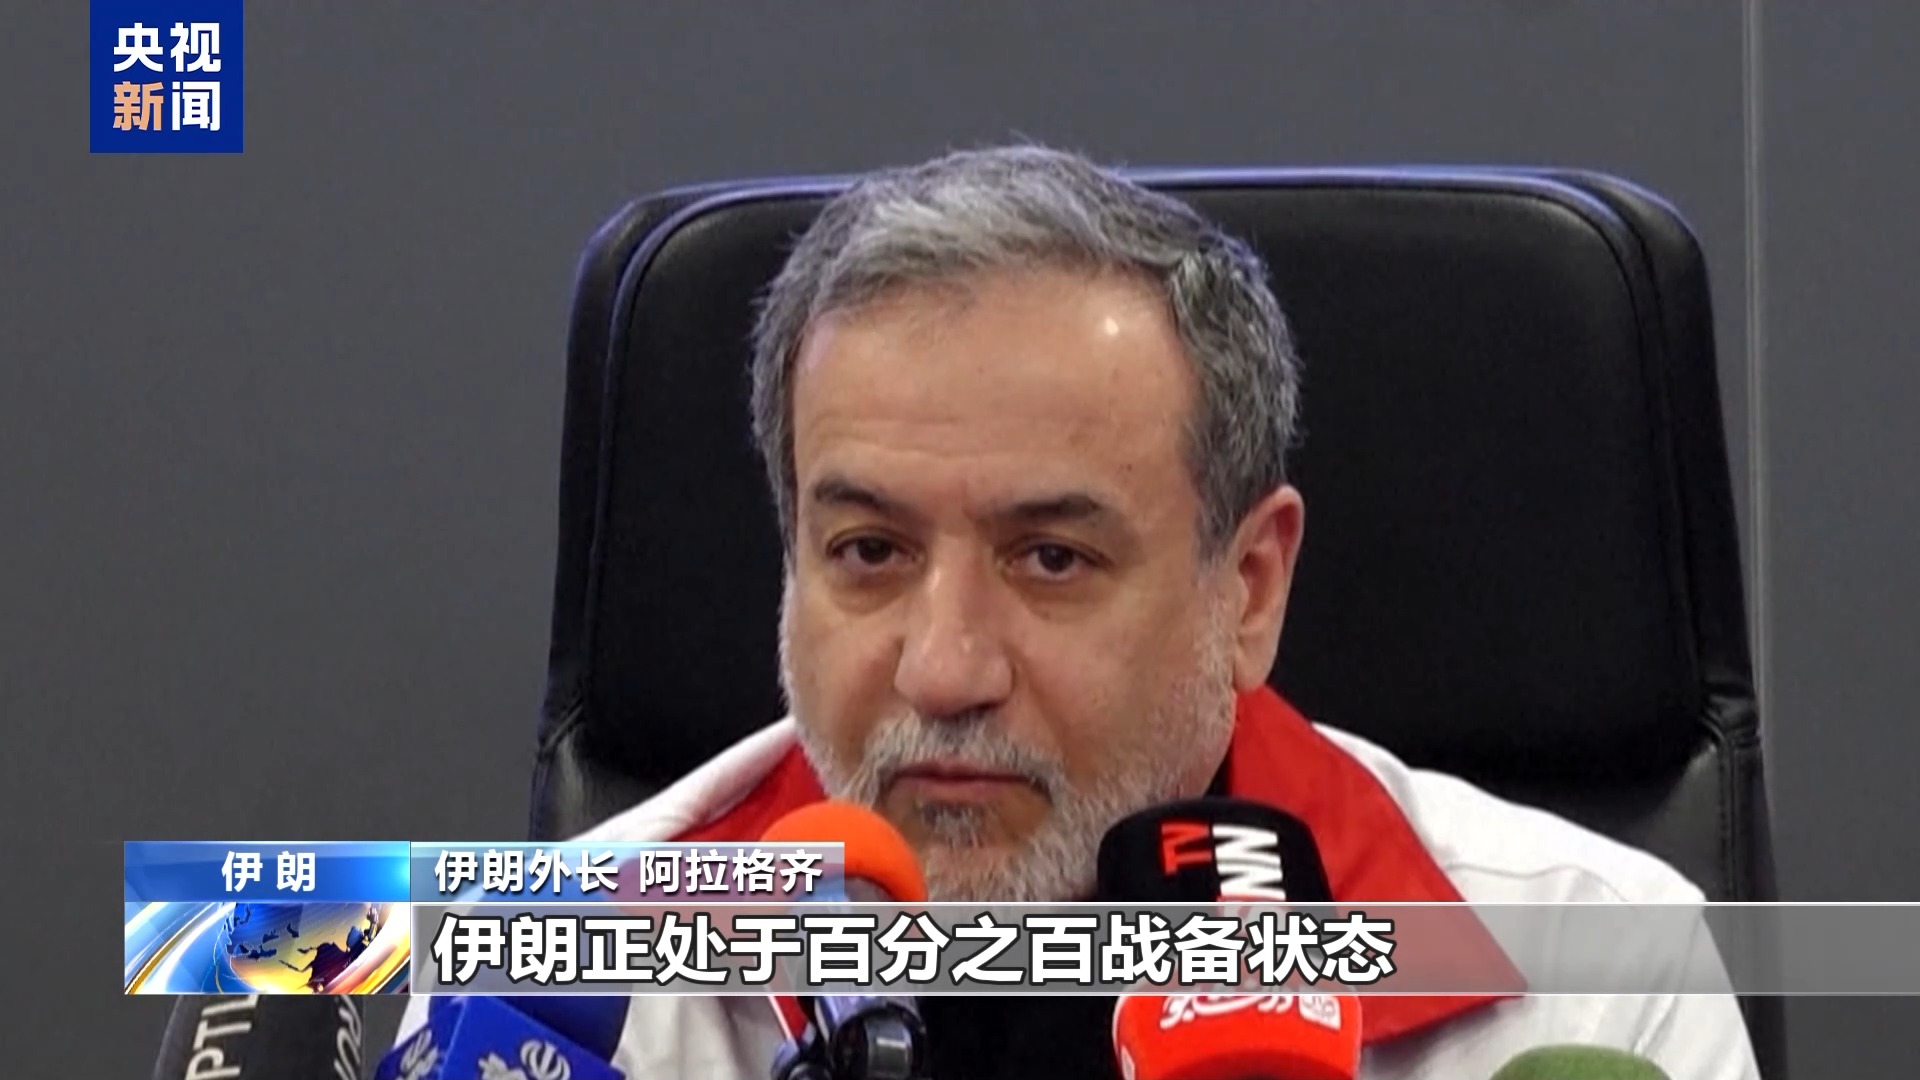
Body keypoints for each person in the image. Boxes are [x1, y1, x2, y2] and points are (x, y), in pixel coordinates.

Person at [395, 144, 1760, 1079]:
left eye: (1051, 559)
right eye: (868, 551)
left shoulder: (1591, 967)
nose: (944, 669)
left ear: (1248, 590)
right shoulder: (551, 985)